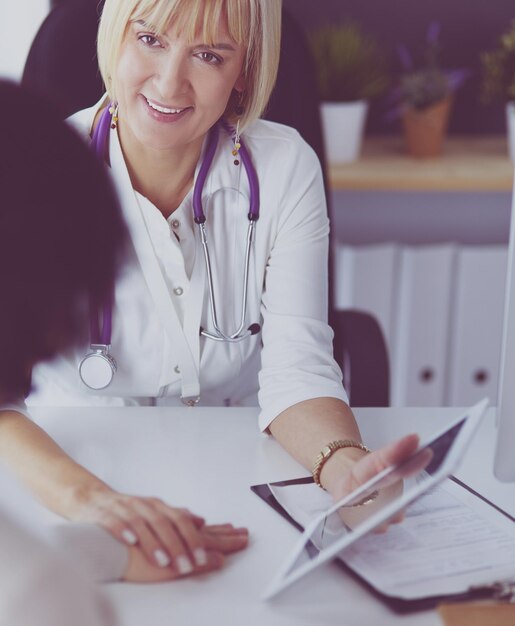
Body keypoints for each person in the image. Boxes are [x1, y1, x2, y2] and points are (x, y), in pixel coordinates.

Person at [1, 0, 418, 582]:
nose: (170, 82)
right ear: (115, 36)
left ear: (243, 72)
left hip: (240, 486)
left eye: (207, 55)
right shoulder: (36, 169)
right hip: (66, 482)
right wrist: (94, 504)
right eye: (149, 39)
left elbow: (297, 371)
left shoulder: (284, 168)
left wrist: (342, 466)